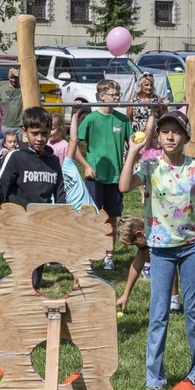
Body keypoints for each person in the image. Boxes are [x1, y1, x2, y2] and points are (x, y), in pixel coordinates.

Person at [118, 110, 195, 390]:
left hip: (190, 248)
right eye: (165, 131)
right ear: (158, 137)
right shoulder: (149, 167)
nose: (170, 135)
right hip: (161, 249)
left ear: (186, 137)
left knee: (194, 313)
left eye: (176, 131)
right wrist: (132, 153)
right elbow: (124, 186)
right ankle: (154, 378)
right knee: (158, 314)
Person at [0, 106, 66, 347]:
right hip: (16, 230)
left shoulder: (53, 161)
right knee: (21, 280)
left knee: (34, 282)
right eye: (35, 133)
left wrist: (63, 226)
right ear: (24, 132)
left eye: (44, 133)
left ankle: (19, 328)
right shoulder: (16, 157)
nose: (40, 138)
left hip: (40, 232)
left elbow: (61, 197)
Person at [75, 79, 130, 270]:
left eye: (118, 94)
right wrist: (86, 165)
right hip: (95, 177)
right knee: (91, 218)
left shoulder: (123, 120)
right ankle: (89, 256)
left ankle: (109, 255)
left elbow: (134, 146)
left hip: (115, 178)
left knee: (111, 219)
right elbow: (73, 146)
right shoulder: (91, 119)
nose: (116, 97)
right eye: (113, 94)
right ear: (101, 96)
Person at [126, 73, 164, 137]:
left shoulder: (157, 99)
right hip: (138, 134)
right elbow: (129, 117)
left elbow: (162, 116)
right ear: (141, 85)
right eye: (146, 85)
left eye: (151, 85)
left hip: (154, 134)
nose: (149, 87)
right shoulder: (134, 99)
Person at [0, 67, 24, 139]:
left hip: (20, 126)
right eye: (11, 77)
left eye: (16, 77)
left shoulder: (24, 89)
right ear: (8, 76)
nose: (13, 80)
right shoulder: (1, 89)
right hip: (4, 126)